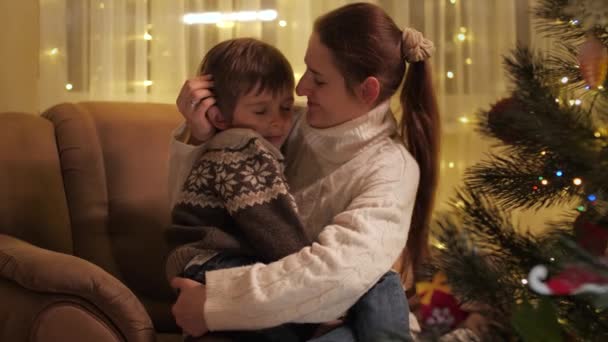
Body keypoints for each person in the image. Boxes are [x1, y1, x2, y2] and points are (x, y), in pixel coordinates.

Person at [169, 2, 440, 341]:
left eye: (319, 79)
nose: (299, 88)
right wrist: (200, 136)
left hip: (344, 318)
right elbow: (193, 212)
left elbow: (335, 275)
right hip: (276, 310)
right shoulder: (277, 122)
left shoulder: (392, 170)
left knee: (373, 297)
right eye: (306, 68)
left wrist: (215, 302)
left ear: (367, 91)